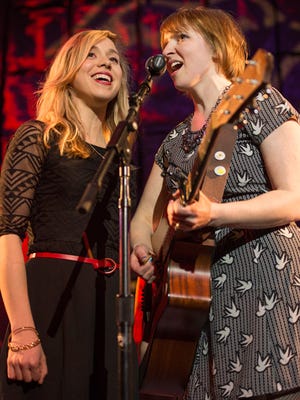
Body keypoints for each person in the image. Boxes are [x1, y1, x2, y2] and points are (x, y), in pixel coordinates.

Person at [130, 5, 300, 400]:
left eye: (181, 38)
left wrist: (216, 213)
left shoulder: (259, 101)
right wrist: (142, 249)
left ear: (217, 47)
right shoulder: (174, 140)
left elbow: (294, 198)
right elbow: (142, 220)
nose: (167, 49)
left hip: (265, 286)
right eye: (163, 42)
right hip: (195, 306)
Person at [0, 29, 138, 399]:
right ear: (69, 70)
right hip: (51, 298)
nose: (106, 62)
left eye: (113, 58)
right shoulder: (37, 136)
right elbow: (9, 235)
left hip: (108, 303)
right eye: (92, 55)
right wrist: (23, 331)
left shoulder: (124, 159)